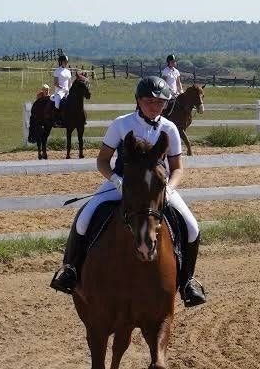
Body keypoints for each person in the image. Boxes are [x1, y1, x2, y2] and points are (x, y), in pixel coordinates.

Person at [49, 76, 207, 307]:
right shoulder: (121, 124)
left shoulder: (170, 128)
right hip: (122, 183)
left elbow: (177, 168)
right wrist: (115, 180)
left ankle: (187, 282)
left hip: (157, 188)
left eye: (160, 102)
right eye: (150, 101)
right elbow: (102, 161)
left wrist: (169, 188)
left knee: (192, 227)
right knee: (83, 218)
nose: (155, 107)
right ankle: (70, 270)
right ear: (138, 101)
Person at [51, 54, 72, 125]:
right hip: (59, 91)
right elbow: (56, 83)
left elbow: (70, 83)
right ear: (61, 62)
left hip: (67, 90)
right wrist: (62, 88)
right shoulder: (57, 71)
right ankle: (56, 119)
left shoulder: (68, 71)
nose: (66, 63)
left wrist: (70, 89)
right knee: (57, 102)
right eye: (65, 61)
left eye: (67, 61)